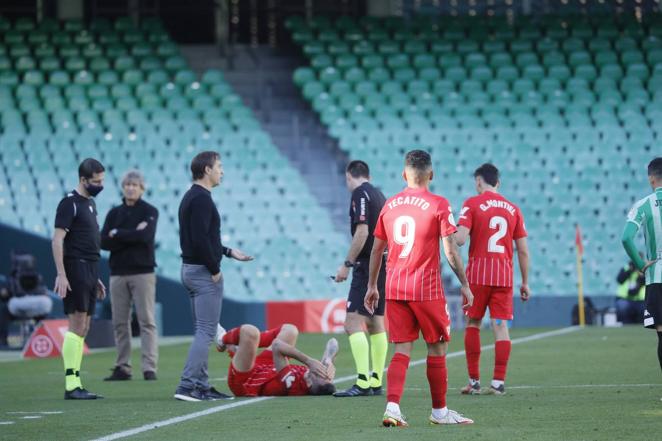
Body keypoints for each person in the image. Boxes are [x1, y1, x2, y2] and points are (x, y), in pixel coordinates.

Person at [364, 149, 474, 427]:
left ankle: (392, 409)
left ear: (404, 174)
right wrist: (464, 284)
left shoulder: (390, 205)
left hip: (395, 286)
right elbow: (450, 251)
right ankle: (439, 412)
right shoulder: (438, 203)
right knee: (437, 347)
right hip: (426, 288)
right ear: (431, 175)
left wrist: (371, 287)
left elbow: (377, 250)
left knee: (402, 350)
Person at [174, 151, 254, 402]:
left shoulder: (193, 196)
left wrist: (229, 252)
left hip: (191, 269)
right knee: (206, 332)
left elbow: (204, 238)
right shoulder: (201, 199)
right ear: (206, 170)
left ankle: (201, 384)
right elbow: (199, 240)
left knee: (204, 330)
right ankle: (188, 386)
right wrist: (215, 268)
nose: (222, 171)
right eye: (219, 166)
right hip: (202, 272)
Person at [454, 163, 530, 396]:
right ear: (498, 182)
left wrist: (449, 228)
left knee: (473, 324)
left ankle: (474, 382)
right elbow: (523, 250)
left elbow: (460, 240)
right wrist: (525, 282)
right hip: (504, 276)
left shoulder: (472, 203)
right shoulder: (513, 208)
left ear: (479, 181)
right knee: (500, 326)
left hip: (477, 276)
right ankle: (498, 382)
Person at [52, 158, 107, 400]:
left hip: (90, 269)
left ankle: (76, 382)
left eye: (102, 180)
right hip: (76, 267)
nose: (100, 185)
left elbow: (89, 240)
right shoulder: (69, 203)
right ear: (83, 180)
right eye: (96, 181)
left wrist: (96, 277)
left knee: (84, 326)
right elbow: (57, 240)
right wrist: (62, 274)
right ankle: (71, 384)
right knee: (76, 324)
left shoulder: (91, 203)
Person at [333, 160, 388, 397]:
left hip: (366, 264)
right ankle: (376, 380)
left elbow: (362, 231)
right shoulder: (379, 194)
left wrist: (347, 264)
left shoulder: (360, 194)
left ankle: (363, 381)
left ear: (349, 176)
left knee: (352, 322)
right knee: (376, 322)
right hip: (384, 262)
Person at [100, 170, 159, 381]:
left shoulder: (150, 211)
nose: (131, 188)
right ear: (123, 187)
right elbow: (102, 241)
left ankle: (149, 367)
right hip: (117, 273)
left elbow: (145, 237)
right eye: (128, 185)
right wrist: (131, 234)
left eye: (135, 185)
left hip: (143, 272)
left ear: (142, 188)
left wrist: (118, 233)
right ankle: (122, 366)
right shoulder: (114, 213)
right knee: (119, 322)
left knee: (146, 321)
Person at [216, 323, 338, 397]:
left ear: (310, 383)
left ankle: (222, 339)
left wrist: (308, 360)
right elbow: (333, 343)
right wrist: (328, 359)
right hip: (268, 368)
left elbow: (277, 346)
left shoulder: (291, 383)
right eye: (326, 376)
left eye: (320, 374)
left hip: (246, 380)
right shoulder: (318, 380)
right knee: (291, 330)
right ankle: (242, 346)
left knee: (250, 332)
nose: (322, 371)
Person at [621, 157, 662, 372]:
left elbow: (626, 238)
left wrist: (640, 264)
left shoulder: (644, 205)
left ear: (651, 179)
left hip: (657, 276)